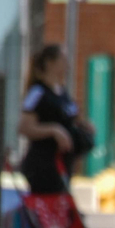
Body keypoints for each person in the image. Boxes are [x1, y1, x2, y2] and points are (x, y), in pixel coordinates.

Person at [17, 44, 83, 195]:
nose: (68, 63)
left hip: (62, 165)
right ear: (49, 63)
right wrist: (54, 130)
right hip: (43, 165)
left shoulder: (62, 91)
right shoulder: (37, 92)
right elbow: (23, 127)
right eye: (63, 59)